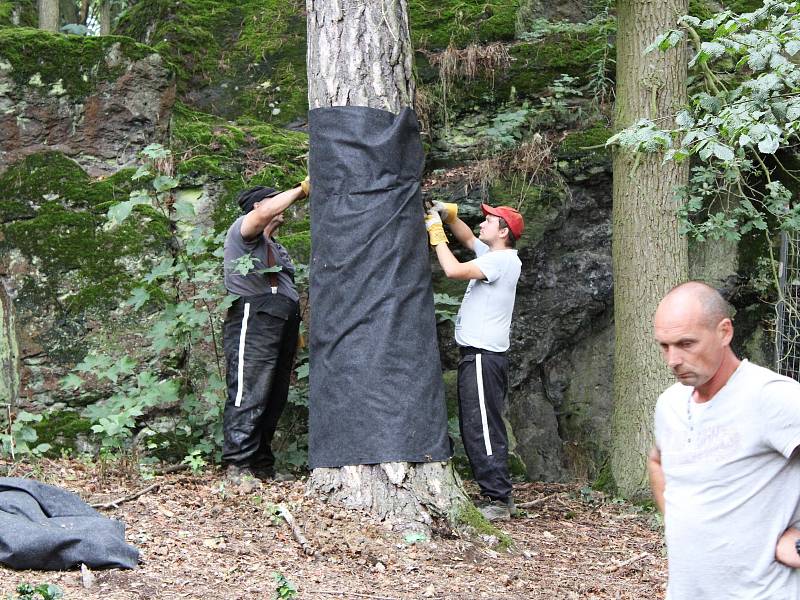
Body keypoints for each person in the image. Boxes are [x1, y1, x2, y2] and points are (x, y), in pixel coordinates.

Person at [648, 281, 800, 599]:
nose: (673, 359)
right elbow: (657, 461)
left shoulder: (772, 397)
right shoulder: (669, 404)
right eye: (665, 346)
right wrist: (681, 523)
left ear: (724, 332)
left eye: (686, 343)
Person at [424, 201, 524, 521]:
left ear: (504, 231)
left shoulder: (501, 261)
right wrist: (449, 215)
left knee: (481, 426)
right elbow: (468, 239)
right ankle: (499, 496)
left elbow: (453, 270)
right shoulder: (496, 256)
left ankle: (498, 498)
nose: (482, 223)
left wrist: (436, 232)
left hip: (483, 357)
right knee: (478, 424)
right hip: (479, 357)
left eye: (489, 221)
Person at [221, 179, 309, 491]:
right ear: (258, 207)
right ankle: (237, 464)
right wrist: (301, 189)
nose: (281, 206)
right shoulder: (242, 231)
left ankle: (260, 465)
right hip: (254, 316)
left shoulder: (274, 246)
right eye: (274, 200)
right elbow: (263, 214)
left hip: (280, 322)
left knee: (274, 395)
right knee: (250, 388)